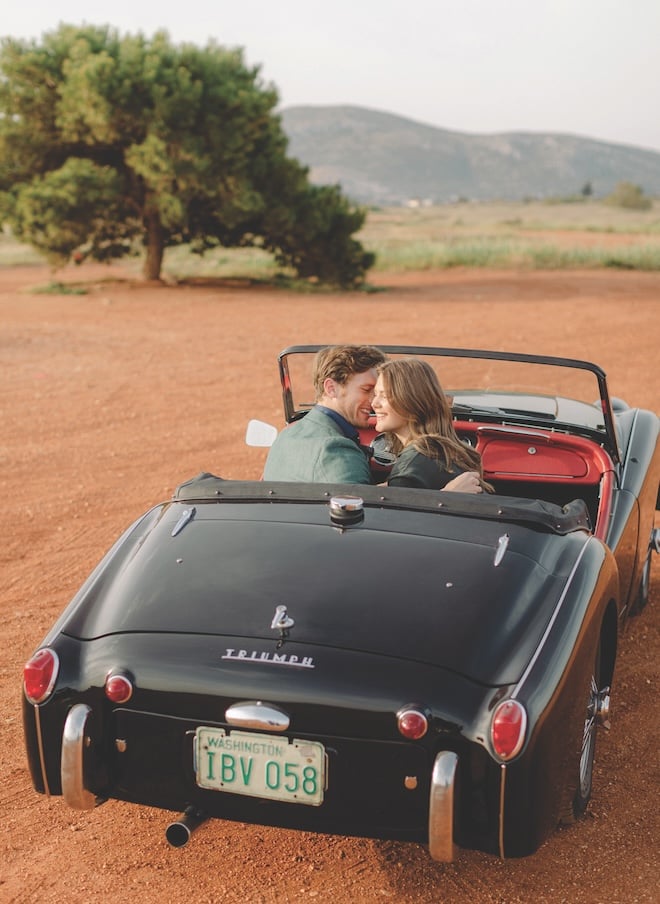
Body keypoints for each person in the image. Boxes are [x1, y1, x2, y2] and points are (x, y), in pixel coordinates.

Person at [263, 344, 387, 483]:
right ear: (331, 388)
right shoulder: (335, 450)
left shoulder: (286, 435)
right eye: (366, 390)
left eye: (377, 392)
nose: (374, 401)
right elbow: (360, 503)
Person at [372, 357, 493, 492]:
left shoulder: (413, 464)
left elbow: (395, 513)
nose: (374, 404)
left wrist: (447, 497)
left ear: (411, 401)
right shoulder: (439, 450)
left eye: (384, 396)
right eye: (375, 394)